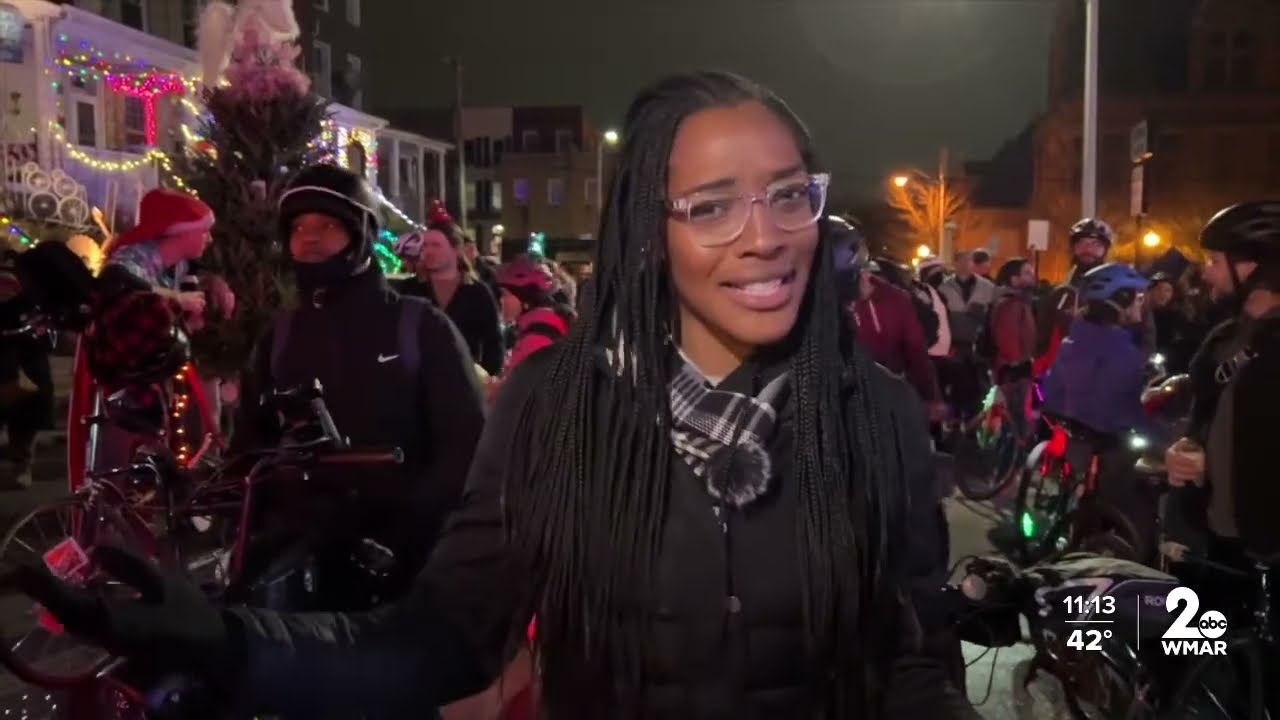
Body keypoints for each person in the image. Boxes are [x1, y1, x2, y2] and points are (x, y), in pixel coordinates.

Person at [17, 71, 975, 719]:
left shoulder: (874, 416)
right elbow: (442, 639)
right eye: (713, 205)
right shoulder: (558, 407)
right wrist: (228, 645)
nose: (765, 236)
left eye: (788, 194)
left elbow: (919, 663)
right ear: (649, 231)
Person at [230, 163, 486, 599]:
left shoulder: (420, 328)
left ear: (361, 233)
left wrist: (402, 537)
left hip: (407, 574)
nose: (309, 238)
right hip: (299, 573)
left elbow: (467, 448)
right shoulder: (282, 334)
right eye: (298, 227)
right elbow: (251, 446)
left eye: (328, 225)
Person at [1167, 201, 1280, 563]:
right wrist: (1188, 448)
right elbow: (1206, 416)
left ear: (1254, 269)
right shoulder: (1224, 338)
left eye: (1216, 261)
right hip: (1218, 546)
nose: (1206, 272)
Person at [1041, 263, 1155, 557]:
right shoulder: (1122, 350)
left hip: (1075, 436)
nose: (1142, 303)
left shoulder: (1074, 337)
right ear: (1121, 299)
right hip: (1106, 443)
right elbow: (1126, 410)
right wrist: (1165, 440)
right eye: (1138, 297)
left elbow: (1053, 389)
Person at [395, 205, 505, 377]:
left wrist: (486, 382)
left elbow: (494, 344)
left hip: (464, 384)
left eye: (436, 245)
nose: (429, 251)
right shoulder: (409, 289)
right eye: (424, 246)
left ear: (456, 249)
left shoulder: (478, 292)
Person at [851, 259, 945, 420]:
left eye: (865, 274)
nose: (865, 280)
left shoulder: (894, 299)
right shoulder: (827, 300)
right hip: (848, 396)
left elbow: (916, 349)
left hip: (889, 393)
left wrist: (930, 396)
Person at [495, 253, 575, 376]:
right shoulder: (546, 323)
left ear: (525, 299)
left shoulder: (538, 335)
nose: (501, 301)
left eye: (505, 294)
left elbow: (528, 391)